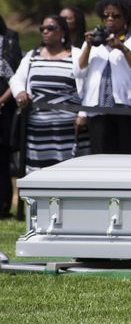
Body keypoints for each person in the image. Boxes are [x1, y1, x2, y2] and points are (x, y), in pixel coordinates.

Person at [10, 15, 88, 173]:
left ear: (62, 32)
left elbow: (88, 86)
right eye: (42, 29)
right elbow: (17, 78)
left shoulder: (76, 55)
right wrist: (20, 92)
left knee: (70, 173)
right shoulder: (32, 56)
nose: (45, 32)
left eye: (50, 28)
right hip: (39, 131)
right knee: (39, 174)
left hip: (69, 129)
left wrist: (84, 114)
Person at [74, 0, 131, 154]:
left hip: (125, 107)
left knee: (127, 153)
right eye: (106, 16)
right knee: (101, 154)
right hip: (97, 108)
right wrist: (89, 45)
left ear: (126, 18)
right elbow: (78, 72)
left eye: (116, 16)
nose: (110, 19)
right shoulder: (94, 40)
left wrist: (122, 48)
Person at [0, 14, 21, 216]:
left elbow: (15, 78)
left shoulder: (9, 38)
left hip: (3, 109)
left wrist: (2, 100)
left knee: (3, 159)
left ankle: (4, 207)